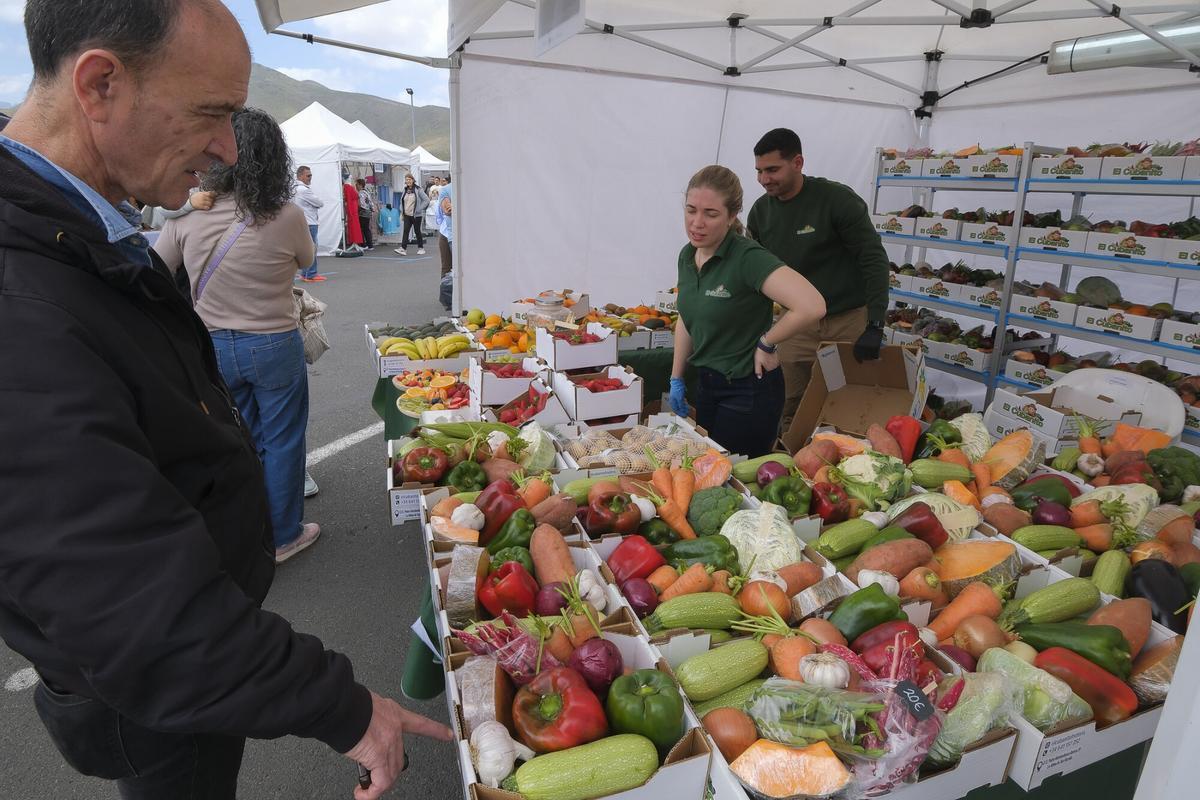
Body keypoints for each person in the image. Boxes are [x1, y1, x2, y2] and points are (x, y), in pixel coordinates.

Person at [0, 3, 451, 800]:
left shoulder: (79, 233)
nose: (229, 149)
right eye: (211, 113)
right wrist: (342, 708)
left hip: (185, 667)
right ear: (99, 85)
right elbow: (134, 607)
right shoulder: (24, 298)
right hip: (161, 690)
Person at [156, 108, 321, 565]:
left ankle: (246, 531)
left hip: (212, 345)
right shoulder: (287, 215)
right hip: (273, 342)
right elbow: (307, 260)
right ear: (274, 159)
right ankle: (284, 535)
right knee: (282, 439)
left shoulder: (186, 215)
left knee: (238, 437)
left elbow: (156, 267)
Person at [669, 165, 826, 457]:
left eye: (710, 214)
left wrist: (767, 342)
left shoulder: (747, 258)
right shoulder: (687, 255)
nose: (697, 223)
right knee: (705, 470)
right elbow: (687, 318)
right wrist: (676, 377)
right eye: (691, 210)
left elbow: (812, 305)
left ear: (731, 216)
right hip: (707, 385)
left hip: (747, 392)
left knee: (733, 476)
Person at [747, 128, 890, 432]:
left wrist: (876, 323)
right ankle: (788, 452)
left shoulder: (836, 200)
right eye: (759, 171)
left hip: (846, 320)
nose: (764, 179)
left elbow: (873, 258)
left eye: (772, 170)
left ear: (798, 162)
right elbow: (755, 275)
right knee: (787, 402)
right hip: (796, 324)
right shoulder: (760, 213)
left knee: (849, 403)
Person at [294, 164, 325, 282]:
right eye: (308, 175)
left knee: (305, 249)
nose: (310, 177)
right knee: (312, 248)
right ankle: (311, 274)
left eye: (310, 175)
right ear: (300, 176)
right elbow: (320, 203)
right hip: (310, 222)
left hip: (302, 222)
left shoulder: (295, 188)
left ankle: (305, 273)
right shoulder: (304, 190)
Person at [396, 173, 429, 255]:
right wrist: (401, 209)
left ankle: (421, 248)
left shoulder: (418, 189)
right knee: (406, 231)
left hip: (416, 215)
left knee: (417, 231)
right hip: (407, 214)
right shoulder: (405, 189)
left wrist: (419, 209)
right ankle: (403, 249)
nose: (408, 181)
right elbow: (402, 201)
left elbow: (426, 200)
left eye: (409, 179)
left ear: (413, 180)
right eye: (406, 180)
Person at [436, 174, 453, 276]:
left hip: (466, 235)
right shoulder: (446, 190)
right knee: (446, 269)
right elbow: (448, 210)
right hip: (447, 234)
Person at [343, 172, 363, 248]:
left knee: (353, 227)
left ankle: (355, 242)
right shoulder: (349, 187)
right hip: (352, 209)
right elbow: (354, 196)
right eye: (350, 178)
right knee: (354, 227)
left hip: (352, 209)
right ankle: (355, 242)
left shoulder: (347, 187)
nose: (351, 179)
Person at [356, 177, 376, 250]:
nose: (356, 186)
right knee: (366, 229)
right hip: (368, 212)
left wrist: (357, 210)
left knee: (363, 229)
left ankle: (364, 245)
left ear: (360, 185)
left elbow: (361, 204)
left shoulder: (361, 193)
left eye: (357, 184)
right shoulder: (366, 192)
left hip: (363, 212)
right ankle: (369, 245)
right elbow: (370, 203)